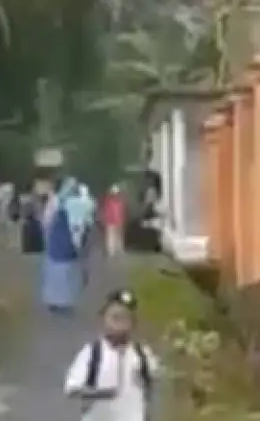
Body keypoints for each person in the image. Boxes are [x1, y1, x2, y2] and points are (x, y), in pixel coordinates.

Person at [64, 289, 160, 421]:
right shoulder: (93, 353)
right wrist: (98, 393)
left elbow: (153, 381)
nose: (119, 324)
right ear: (104, 319)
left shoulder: (142, 354)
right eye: (115, 318)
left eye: (125, 318)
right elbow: (72, 388)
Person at [40, 178, 83, 313]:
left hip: (60, 241)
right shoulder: (59, 202)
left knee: (60, 271)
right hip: (60, 240)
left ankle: (58, 301)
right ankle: (58, 301)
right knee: (60, 271)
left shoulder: (61, 202)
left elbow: (46, 221)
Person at [101, 185, 126, 256]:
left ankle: (118, 249)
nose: (116, 195)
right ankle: (111, 251)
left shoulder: (120, 202)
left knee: (119, 236)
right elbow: (106, 212)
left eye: (117, 193)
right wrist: (105, 219)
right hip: (110, 221)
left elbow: (121, 212)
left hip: (118, 221)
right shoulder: (108, 202)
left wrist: (122, 219)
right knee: (111, 236)